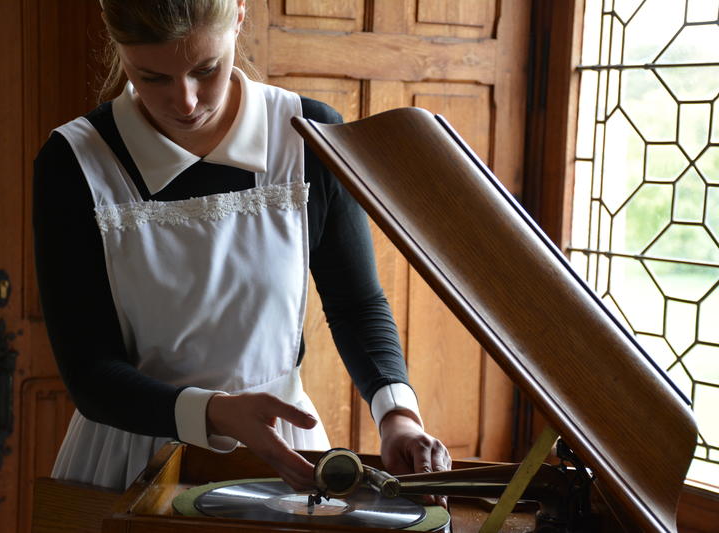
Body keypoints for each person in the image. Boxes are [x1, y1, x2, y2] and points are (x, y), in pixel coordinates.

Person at [33, 0, 450, 495]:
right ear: (118, 48)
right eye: (153, 77)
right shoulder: (74, 163)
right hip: (133, 452)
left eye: (205, 69)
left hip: (283, 444)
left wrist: (396, 414)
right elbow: (90, 372)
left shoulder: (306, 136)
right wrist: (215, 413)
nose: (185, 101)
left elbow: (356, 303)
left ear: (238, 20)